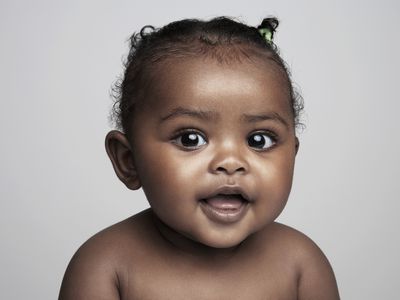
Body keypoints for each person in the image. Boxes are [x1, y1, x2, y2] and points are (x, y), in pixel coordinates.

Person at [59, 16, 340, 299]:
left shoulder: (300, 264)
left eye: (259, 140)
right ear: (128, 160)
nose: (230, 162)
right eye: (190, 139)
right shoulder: (106, 266)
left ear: (292, 154)